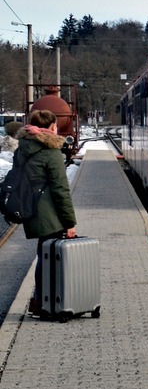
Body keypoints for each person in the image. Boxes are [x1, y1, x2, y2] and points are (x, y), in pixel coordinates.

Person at [14, 109, 77, 316]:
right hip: (48, 211)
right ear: (51, 127)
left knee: (44, 252)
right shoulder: (51, 152)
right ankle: (44, 302)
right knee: (47, 256)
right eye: (55, 125)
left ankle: (41, 301)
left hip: (29, 207)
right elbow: (61, 190)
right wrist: (69, 222)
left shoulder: (22, 148)